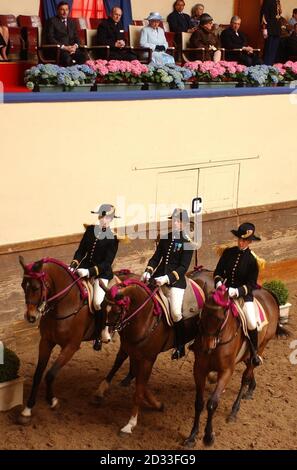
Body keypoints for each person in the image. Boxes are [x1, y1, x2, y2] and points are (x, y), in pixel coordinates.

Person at [141, 208, 194, 360]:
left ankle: (179, 345)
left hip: (175, 282)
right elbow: (156, 258)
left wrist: (167, 279)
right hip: (157, 277)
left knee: (176, 312)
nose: (176, 223)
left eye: (179, 221)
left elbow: (183, 268)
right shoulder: (166, 238)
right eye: (174, 221)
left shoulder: (188, 243)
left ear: (184, 224)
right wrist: (148, 271)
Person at [69, 204, 119, 351]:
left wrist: (89, 272)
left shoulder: (113, 238)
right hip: (83, 267)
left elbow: (106, 263)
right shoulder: (90, 231)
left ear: (111, 219)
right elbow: (81, 251)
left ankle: (99, 333)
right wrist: (74, 264)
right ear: (99, 217)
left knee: (97, 302)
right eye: (103, 216)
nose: (105, 220)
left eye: (108, 218)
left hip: (101, 273)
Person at [213, 222, 262, 367]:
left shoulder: (253, 261)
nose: (241, 242)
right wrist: (219, 283)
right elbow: (218, 272)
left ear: (250, 241)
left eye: (245, 240)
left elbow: (251, 284)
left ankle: (254, 353)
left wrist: (238, 291)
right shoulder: (228, 253)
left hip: (243, 296)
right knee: (208, 309)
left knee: (252, 322)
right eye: (240, 239)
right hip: (224, 292)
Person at [45, 1, 87, 66]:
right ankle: (69, 75)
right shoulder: (52, 21)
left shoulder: (72, 22)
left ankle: (79, 75)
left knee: (83, 57)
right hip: (59, 50)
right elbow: (50, 38)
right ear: (57, 10)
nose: (65, 12)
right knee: (67, 59)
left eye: (66, 10)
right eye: (62, 9)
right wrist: (65, 47)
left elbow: (76, 37)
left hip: (72, 49)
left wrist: (75, 46)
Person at [261, 0, 282, 65]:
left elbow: (278, 14)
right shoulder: (267, 1)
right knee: (268, 51)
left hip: (277, 29)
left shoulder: (278, 1)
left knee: (274, 51)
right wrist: (264, 28)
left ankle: (270, 67)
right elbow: (263, 14)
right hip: (270, 29)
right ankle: (265, 67)